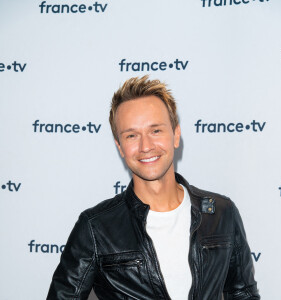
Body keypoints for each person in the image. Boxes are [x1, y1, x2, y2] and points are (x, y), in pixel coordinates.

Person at [47, 76, 260, 300]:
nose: (145, 146)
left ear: (176, 135)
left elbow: (243, 294)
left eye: (155, 131)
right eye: (131, 135)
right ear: (120, 146)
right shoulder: (95, 228)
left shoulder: (220, 212)